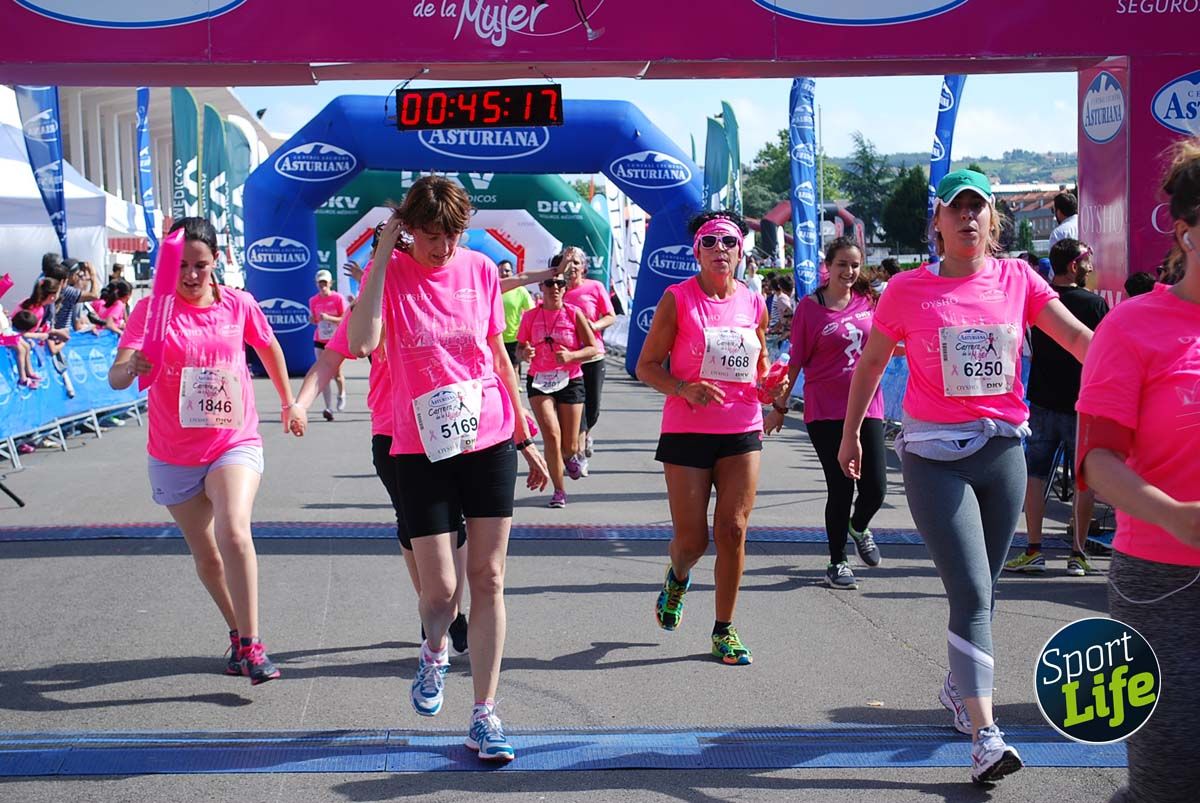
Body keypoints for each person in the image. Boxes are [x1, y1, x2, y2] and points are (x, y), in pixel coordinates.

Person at [836, 169, 1092, 784]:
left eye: (979, 209)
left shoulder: (1017, 279)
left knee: (984, 588)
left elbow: (1082, 339)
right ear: (938, 224)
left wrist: (1148, 363)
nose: (969, 219)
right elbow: (872, 361)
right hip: (931, 455)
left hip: (1002, 449)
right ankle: (985, 738)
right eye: (957, 210)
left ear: (993, 223)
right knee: (974, 593)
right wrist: (850, 433)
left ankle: (959, 687)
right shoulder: (906, 289)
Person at [348, 175, 548, 763]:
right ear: (409, 229)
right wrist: (383, 252)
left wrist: (523, 429)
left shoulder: (482, 271)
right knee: (440, 590)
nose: (443, 247)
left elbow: (495, 355)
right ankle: (434, 651)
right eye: (431, 235)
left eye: (453, 233)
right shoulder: (386, 275)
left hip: (486, 435)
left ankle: (485, 714)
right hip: (419, 444)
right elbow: (362, 343)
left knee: (487, 577)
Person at [108, 217, 306, 685]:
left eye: (200, 265)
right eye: (181, 266)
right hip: (173, 450)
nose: (191, 276)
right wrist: (131, 365)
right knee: (209, 556)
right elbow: (117, 377)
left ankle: (254, 646)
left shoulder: (238, 304)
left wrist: (288, 402)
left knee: (234, 531)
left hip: (231, 439)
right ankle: (238, 634)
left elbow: (270, 346)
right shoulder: (151, 311)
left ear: (216, 262)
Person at [1076, 138, 1200, 803]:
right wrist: (1174, 516)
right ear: (1187, 230)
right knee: (1171, 776)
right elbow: (1098, 460)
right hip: (1164, 579)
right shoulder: (1134, 328)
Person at [303, 240, 470, 659]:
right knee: (414, 523)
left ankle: (452, 608)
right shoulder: (368, 305)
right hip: (393, 432)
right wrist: (300, 404)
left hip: (447, 425)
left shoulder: (441, 289)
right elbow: (333, 358)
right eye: (387, 252)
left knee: (456, 520)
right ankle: (433, 604)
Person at [636, 209, 786, 667]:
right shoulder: (677, 299)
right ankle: (678, 576)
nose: (720, 250)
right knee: (692, 540)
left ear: (741, 251)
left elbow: (758, 368)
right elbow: (645, 366)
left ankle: (724, 628)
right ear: (696, 252)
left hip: (741, 427)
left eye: (729, 243)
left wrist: (771, 390)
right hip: (687, 429)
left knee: (734, 530)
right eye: (710, 243)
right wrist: (683, 388)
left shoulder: (753, 302)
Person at [764, 237, 885, 589]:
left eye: (855, 265)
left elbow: (882, 346)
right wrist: (779, 408)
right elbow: (796, 361)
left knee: (875, 488)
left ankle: (858, 527)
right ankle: (837, 561)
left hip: (868, 406)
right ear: (828, 267)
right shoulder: (810, 307)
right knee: (841, 486)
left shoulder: (869, 302)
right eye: (842, 265)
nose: (849, 272)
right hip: (826, 411)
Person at [1005, 239, 1108, 577]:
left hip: (1043, 400)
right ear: (1074, 265)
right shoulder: (1094, 305)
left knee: (1035, 476)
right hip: (1083, 403)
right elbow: (1105, 352)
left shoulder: (1038, 300)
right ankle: (1077, 554)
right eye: (1087, 260)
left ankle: (1034, 548)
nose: (1091, 266)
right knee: (1082, 480)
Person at [516, 275, 599, 507]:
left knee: (569, 445)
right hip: (540, 380)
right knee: (551, 436)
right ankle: (559, 491)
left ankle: (571, 456)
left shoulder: (574, 313)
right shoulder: (531, 316)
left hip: (570, 380)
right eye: (550, 283)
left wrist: (572, 356)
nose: (555, 288)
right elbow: (521, 348)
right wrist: (525, 353)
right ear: (541, 287)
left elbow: (593, 348)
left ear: (565, 288)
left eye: (560, 284)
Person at [562, 247, 616, 470]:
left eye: (576, 262)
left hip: (594, 355)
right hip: (570, 359)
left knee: (592, 407)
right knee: (578, 406)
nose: (572, 266)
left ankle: (586, 435)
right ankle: (579, 453)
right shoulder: (557, 289)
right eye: (567, 262)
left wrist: (593, 326)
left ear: (584, 267)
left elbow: (610, 316)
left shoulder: (595, 287)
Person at [309, 268, 349, 421]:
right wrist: (313, 319)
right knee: (323, 374)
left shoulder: (338, 299)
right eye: (320, 283)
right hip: (320, 340)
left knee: (337, 374)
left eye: (325, 283)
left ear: (330, 283)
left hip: (335, 340)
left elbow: (344, 319)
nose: (322, 286)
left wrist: (329, 318)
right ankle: (328, 407)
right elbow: (315, 319)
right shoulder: (313, 300)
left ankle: (341, 393)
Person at [499, 260, 535, 380]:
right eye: (501, 271)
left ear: (512, 272)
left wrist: (528, 333)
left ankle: (514, 397)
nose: (504, 273)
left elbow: (531, 311)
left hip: (515, 337)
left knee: (513, 368)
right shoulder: (494, 288)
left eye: (507, 271)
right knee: (498, 369)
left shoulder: (520, 290)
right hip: (497, 337)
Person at [766, 274, 794, 361]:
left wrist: (787, 331)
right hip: (783, 330)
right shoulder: (782, 297)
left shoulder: (781, 298)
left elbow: (790, 315)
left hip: (787, 332)